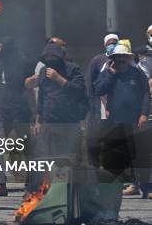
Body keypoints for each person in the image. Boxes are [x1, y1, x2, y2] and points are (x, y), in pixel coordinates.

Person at [94, 44, 150, 194]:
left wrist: (144, 114)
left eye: (123, 58)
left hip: (135, 120)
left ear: (128, 58)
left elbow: (145, 94)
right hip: (115, 122)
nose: (121, 61)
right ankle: (113, 190)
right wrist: (111, 75)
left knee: (140, 155)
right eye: (117, 58)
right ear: (113, 59)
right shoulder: (107, 74)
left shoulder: (137, 74)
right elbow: (99, 90)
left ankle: (146, 188)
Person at [32, 42, 87, 192]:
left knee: (71, 158)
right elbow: (42, 97)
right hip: (49, 122)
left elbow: (79, 92)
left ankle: (73, 191)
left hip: (69, 122)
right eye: (47, 57)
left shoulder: (72, 69)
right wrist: (38, 120)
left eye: (53, 56)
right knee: (49, 158)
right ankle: (50, 191)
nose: (51, 60)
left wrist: (59, 79)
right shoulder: (44, 71)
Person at [0, 37, 33, 197]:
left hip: (20, 111)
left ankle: (31, 186)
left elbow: (30, 86)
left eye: (1, 47)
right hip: (3, 111)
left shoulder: (23, 63)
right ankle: (1, 184)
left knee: (26, 148)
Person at [85, 34, 119, 169]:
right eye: (110, 43)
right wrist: (91, 102)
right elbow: (90, 82)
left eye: (115, 42)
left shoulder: (122, 59)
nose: (112, 45)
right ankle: (94, 169)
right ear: (105, 45)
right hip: (99, 105)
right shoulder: (97, 60)